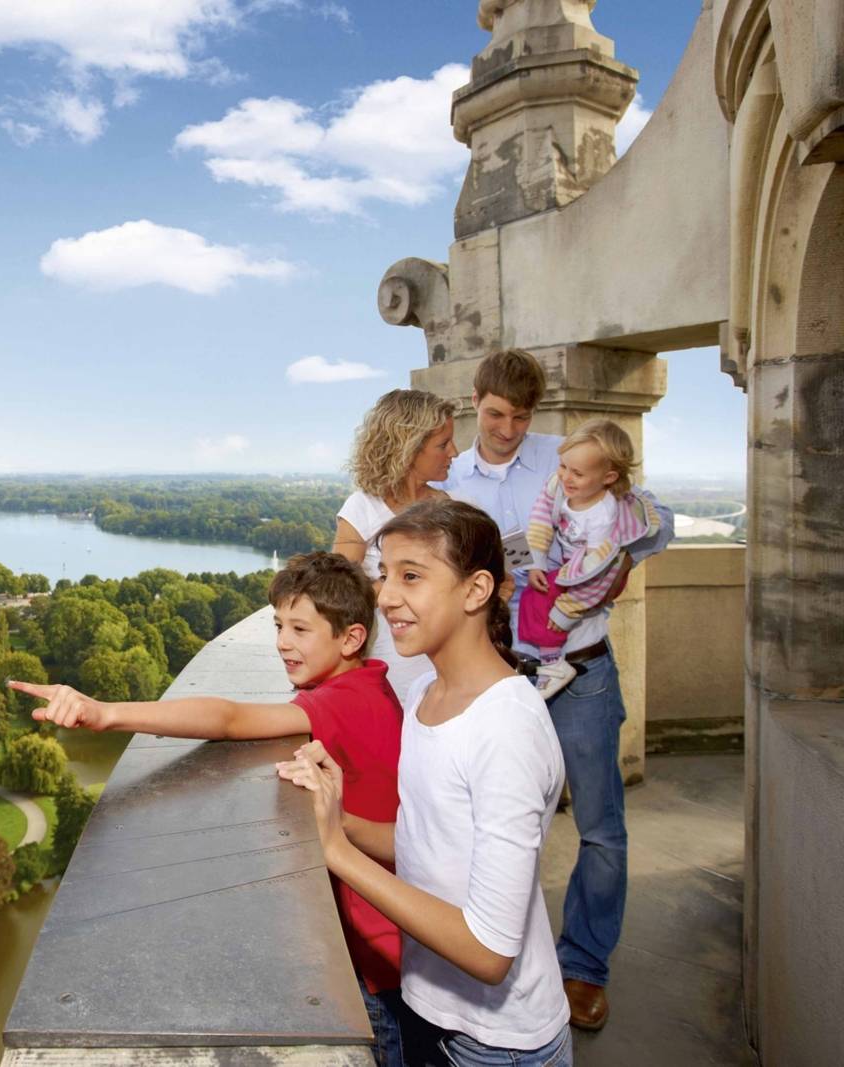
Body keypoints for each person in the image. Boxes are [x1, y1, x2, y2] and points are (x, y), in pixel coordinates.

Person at [8, 551, 410, 1066]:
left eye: (301, 629)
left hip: (378, 966)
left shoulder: (339, 701)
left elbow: (227, 718)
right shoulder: (371, 682)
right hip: (394, 949)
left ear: (350, 638)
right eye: (279, 625)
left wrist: (105, 713)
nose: (283, 641)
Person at [283, 500, 571, 1066]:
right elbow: (427, 844)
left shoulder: (505, 729)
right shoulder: (424, 698)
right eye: (384, 574)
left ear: (475, 590)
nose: (386, 595)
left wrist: (337, 853)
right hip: (428, 1010)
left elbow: (489, 952)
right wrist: (338, 816)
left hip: (496, 1045)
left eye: (410, 576)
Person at [440, 347, 673, 1030]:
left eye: (521, 416)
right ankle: (491, 954)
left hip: (582, 671)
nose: (509, 429)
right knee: (489, 824)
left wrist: (620, 549)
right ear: (474, 400)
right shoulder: (449, 476)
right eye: (495, 414)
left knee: (600, 828)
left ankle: (583, 969)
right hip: (493, 671)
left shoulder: (569, 455)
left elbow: (655, 521)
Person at [520, 419, 664, 699]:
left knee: (541, 606)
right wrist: (536, 559)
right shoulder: (562, 486)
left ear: (608, 478)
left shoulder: (602, 520)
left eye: (577, 473)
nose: (565, 477)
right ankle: (552, 662)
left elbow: (601, 574)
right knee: (532, 598)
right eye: (562, 466)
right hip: (573, 570)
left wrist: (566, 610)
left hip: (594, 577)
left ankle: (553, 665)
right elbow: (541, 514)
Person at [334, 388, 459, 705]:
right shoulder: (360, 509)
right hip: (393, 666)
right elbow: (339, 592)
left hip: (445, 660)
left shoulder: (446, 506)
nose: (455, 452)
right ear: (410, 449)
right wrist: (407, 582)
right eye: (443, 444)